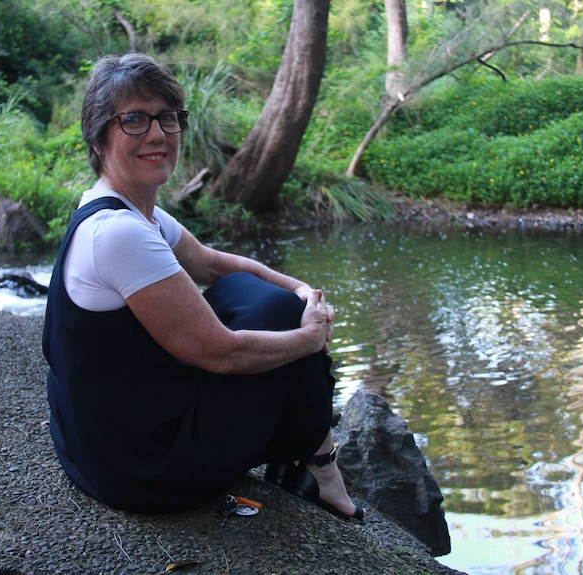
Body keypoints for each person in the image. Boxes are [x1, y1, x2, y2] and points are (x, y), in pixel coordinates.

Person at [42, 52, 363, 522]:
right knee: (280, 324)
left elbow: (213, 265)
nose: (157, 133)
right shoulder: (119, 233)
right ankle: (322, 467)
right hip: (144, 471)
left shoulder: (122, 210)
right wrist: (310, 336)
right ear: (99, 134)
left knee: (252, 294)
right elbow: (221, 353)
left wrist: (303, 291)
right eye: (133, 119)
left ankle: (314, 459)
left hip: (93, 446)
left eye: (167, 118)